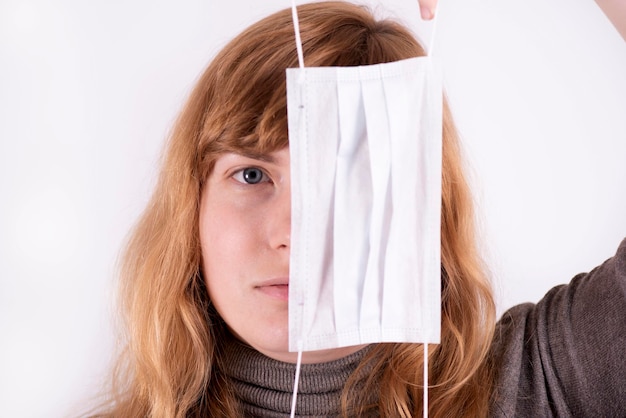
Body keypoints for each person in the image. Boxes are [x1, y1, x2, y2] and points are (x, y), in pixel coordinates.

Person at [93, 2, 626, 417]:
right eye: (252, 175)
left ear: (425, 211)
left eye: (353, 182)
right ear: (192, 209)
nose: (293, 235)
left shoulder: (542, 379)